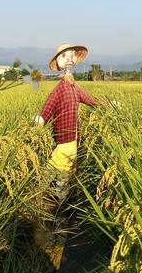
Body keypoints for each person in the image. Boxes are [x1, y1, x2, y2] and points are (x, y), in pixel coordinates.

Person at [34, 42, 108, 201]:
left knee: (64, 166)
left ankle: (52, 197)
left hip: (73, 138)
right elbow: (49, 105)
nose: (69, 58)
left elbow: (89, 99)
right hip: (64, 138)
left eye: (72, 55)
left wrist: (106, 104)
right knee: (60, 168)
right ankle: (50, 197)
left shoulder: (74, 86)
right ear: (58, 61)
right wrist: (41, 118)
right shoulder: (61, 88)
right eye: (64, 56)